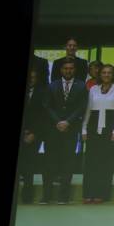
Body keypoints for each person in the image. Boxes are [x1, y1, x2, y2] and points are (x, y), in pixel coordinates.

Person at [42, 57, 87, 204]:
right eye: (65, 68)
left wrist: (68, 121)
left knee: (68, 162)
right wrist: (58, 121)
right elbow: (47, 106)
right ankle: (46, 196)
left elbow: (81, 107)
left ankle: (64, 196)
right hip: (53, 129)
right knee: (50, 162)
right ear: (61, 70)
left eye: (71, 69)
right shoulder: (51, 85)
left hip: (71, 128)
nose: (68, 71)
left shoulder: (81, 86)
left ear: (74, 70)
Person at [81, 64, 114, 203]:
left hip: (109, 127)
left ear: (113, 75)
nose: (106, 75)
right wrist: (84, 128)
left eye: (109, 72)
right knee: (91, 161)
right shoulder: (93, 89)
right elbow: (88, 109)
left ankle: (101, 193)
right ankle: (88, 193)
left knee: (105, 162)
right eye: (104, 72)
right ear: (100, 74)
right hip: (93, 126)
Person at [18, 69, 47, 203]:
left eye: (34, 78)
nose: (31, 80)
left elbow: (42, 116)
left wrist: (33, 133)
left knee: (29, 166)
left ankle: (27, 197)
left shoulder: (42, 93)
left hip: (34, 134)